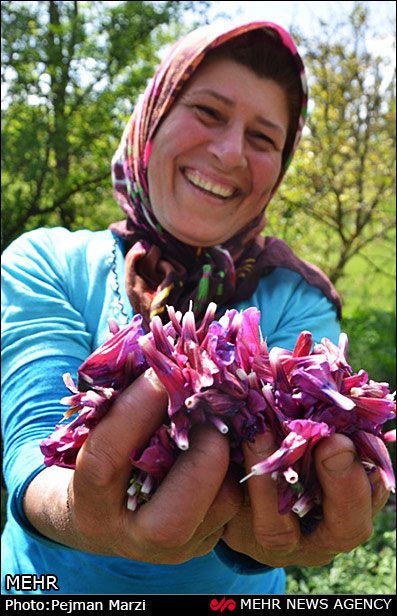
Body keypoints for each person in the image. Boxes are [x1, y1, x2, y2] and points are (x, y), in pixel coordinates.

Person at [1, 21, 390, 596]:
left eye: (263, 138)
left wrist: (286, 520)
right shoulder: (46, 261)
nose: (230, 151)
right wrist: (78, 510)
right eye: (208, 112)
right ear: (153, 119)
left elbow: (285, 476)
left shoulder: (295, 296)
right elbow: (31, 439)